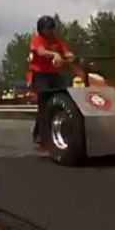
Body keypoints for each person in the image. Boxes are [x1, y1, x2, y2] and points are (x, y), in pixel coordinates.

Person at [29, 16, 74, 146]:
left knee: (64, 97)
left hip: (54, 74)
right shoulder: (37, 40)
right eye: (48, 28)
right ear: (41, 30)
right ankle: (41, 136)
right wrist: (54, 54)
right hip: (40, 75)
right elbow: (41, 52)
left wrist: (70, 56)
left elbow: (66, 52)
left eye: (52, 27)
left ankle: (60, 129)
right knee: (44, 105)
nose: (51, 30)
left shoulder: (57, 41)